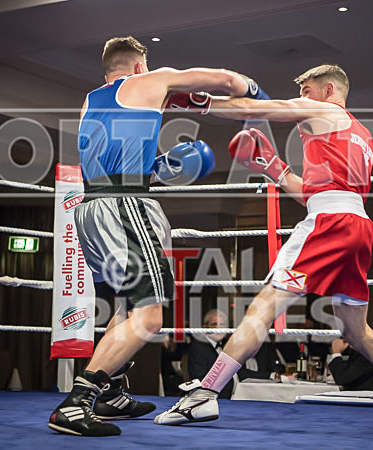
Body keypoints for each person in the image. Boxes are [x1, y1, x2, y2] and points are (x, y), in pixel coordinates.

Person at [154, 64, 373, 426]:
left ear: (329, 89)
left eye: (306, 90)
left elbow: (257, 108)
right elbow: (316, 194)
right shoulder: (361, 135)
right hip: (357, 226)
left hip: (327, 225)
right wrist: (273, 168)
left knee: (262, 307)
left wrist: (197, 102)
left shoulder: (323, 110)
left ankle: (205, 395)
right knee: (357, 332)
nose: (301, 97)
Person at [48, 35, 268, 437]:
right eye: (146, 68)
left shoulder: (90, 100)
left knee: (124, 308)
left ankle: (111, 392)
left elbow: (115, 162)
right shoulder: (150, 80)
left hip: (91, 207)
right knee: (150, 316)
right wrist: (256, 95)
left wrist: (162, 167)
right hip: (125, 207)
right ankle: (76, 403)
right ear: (138, 66)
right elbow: (225, 80)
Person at [187, 309, 274, 399]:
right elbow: (200, 381)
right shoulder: (198, 348)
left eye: (222, 325)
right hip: (219, 399)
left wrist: (271, 375)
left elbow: (238, 373)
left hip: (237, 395)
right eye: (214, 324)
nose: (219, 328)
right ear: (205, 327)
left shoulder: (226, 345)